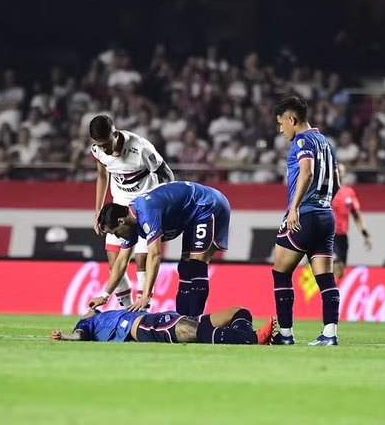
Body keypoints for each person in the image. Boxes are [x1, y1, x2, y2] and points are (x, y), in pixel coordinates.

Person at [89, 181, 231, 316]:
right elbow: (120, 261)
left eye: (115, 232)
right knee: (185, 267)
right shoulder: (131, 223)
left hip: (208, 205)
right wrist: (105, 295)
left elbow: (155, 255)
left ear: (121, 220)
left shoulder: (146, 212)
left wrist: (146, 295)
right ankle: (183, 320)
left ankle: (196, 321)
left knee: (196, 264)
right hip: (192, 214)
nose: (118, 237)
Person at [271, 96, 340, 346]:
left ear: (292, 119)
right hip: (326, 215)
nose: (281, 130)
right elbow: (338, 181)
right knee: (325, 278)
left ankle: (286, 335)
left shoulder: (303, 140)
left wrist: (295, 208)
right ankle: (330, 334)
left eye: (281, 124)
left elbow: (307, 171)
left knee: (280, 272)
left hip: (305, 215)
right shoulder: (326, 142)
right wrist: (323, 200)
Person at [89, 115, 174, 309]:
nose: (105, 150)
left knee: (142, 259)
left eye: (107, 144)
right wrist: (98, 211)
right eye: (100, 145)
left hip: (145, 207)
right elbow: (102, 175)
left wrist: (163, 207)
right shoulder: (98, 151)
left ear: (115, 134)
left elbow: (167, 174)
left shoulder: (141, 148)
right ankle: (126, 312)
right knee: (114, 262)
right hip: (119, 207)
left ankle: (143, 311)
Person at [50, 306, 274, 345]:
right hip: (141, 327)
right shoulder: (86, 322)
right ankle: (252, 338)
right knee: (191, 330)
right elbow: (79, 336)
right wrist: (65, 337)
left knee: (239, 312)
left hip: (157, 317)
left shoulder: (102, 313)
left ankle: (240, 336)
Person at [331, 163, 372, 281]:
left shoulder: (348, 193)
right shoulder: (324, 191)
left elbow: (356, 215)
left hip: (342, 237)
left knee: (340, 271)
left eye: (341, 170)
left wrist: (365, 234)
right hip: (327, 235)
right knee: (333, 262)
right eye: (337, 169)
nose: (339, 171)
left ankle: (333, 292)